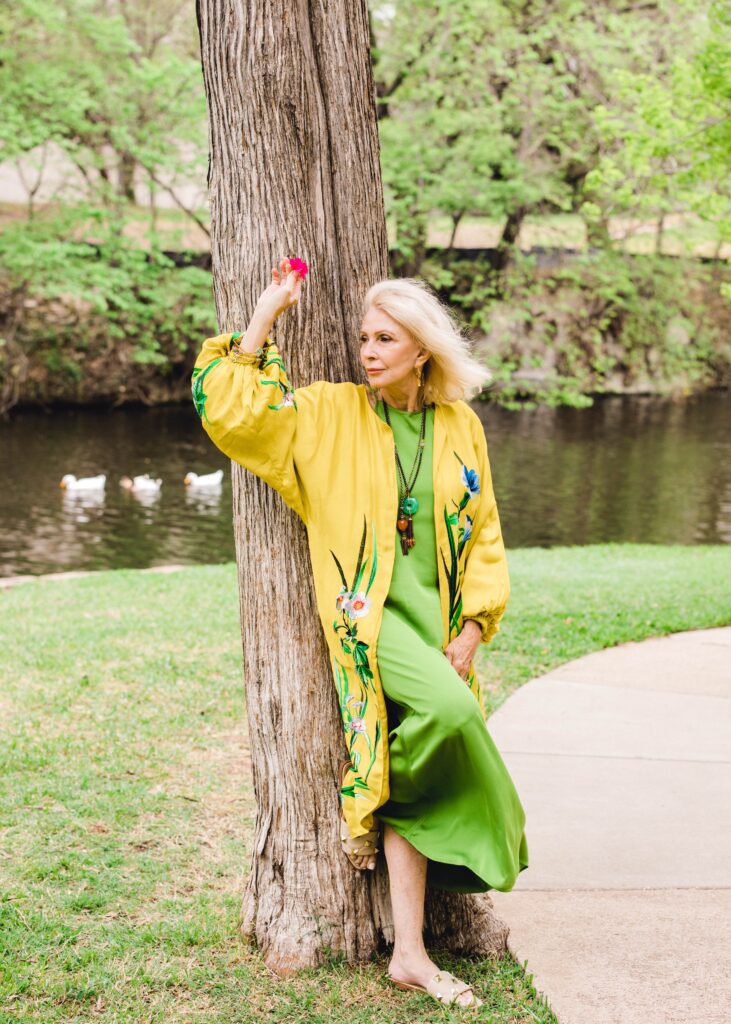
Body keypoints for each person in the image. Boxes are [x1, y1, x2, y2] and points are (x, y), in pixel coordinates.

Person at [192, 258, 529, 1010]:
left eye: (386, 338)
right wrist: (263, 318)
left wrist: (475, 624)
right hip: (368, 615)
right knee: (452, 715)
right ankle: (467, 827)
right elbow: (238, 416)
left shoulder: (457, 425)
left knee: (410, 763)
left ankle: (408, 951)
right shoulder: (332, 412)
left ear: (421, 350)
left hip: (438, 620)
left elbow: (484, 531)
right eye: (364, 337)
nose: (368, 350)